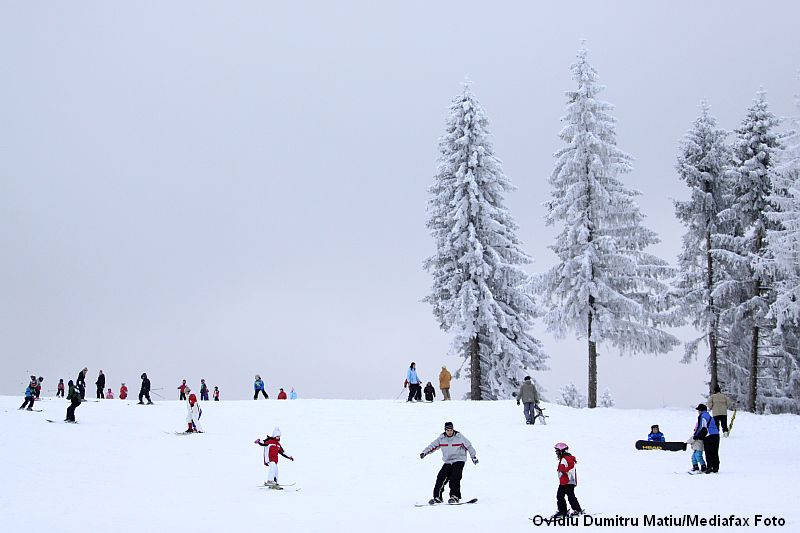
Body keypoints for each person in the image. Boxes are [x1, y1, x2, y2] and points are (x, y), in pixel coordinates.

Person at [420, 421, 478, 504]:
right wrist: (424, 452)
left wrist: (474, 457)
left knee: (455, 477)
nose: (449, 432)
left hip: (459, 460)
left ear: (453, 429)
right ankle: (437, 497)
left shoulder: (459, 437)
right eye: (448, 430)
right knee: (441, 477)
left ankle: (455, 496)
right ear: (445, 430)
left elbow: (469, 446)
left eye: (451, 430)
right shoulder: (441, 438)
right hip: (448, 461)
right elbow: (433, 445)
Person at [552, 442, 583, 518]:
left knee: (570, 496)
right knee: (559, 496)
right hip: (563, 482)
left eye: (557, 451)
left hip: (569, 481)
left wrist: (563, 469)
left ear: (562, 451)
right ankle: (562, 511)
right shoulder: (563, 459)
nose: (556, 453)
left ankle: (578, 510)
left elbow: (571, 465)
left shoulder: (567, 458)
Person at [693, 404, 720, 473]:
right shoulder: (710, 416)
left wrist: (696, 435)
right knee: (715, 452)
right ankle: (716, 467)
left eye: (698, 410)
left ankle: (709, 467)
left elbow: (702, 427)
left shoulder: (702, 416)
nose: (698, 411)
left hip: (709, 436)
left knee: (708, 452)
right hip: (716, 435)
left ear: (700, 410)